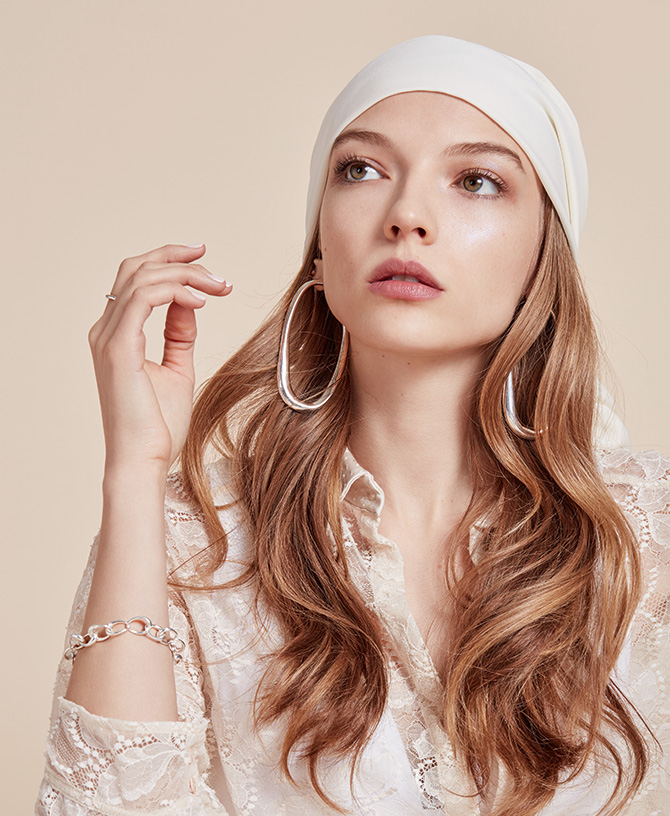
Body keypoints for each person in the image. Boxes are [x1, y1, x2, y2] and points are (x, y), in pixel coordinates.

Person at [36, 35, 669, 816]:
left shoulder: (646, 534)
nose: (406, 216)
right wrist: (134, 471)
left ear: (546, 248)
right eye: (361, 170)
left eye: (476, 181)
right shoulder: (189, 538)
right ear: (319, 241)